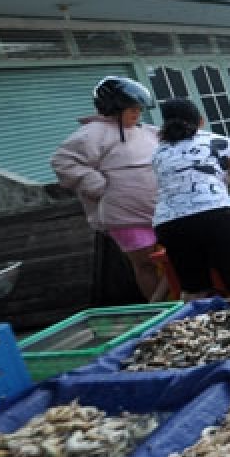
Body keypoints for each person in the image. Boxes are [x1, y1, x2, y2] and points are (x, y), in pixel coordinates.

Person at [52, 75, 169, 302]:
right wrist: (94, 183)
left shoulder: (147, 131)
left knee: (170, 260)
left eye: (139, 109)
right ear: (113, 108)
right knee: (146, 264)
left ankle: (176, 301)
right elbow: (63, 161)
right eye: (132, 109)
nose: (137, 114)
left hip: (160, 210)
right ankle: (161, 308)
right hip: (125, 216)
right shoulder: (92, 133)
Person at [151, 98, 230, 300]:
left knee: (194, 289)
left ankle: (195, 328)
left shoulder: (159, 152)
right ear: (200, 120)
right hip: (215, 216)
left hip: (169, 224)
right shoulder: (217, 141)